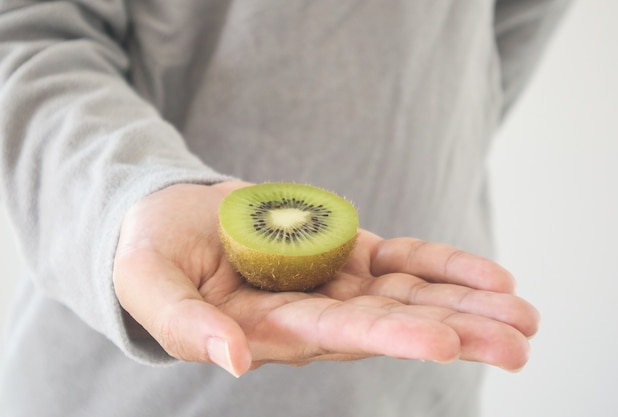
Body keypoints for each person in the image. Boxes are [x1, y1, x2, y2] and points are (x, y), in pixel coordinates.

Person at [0, 0, 569, 416]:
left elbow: (508, 33)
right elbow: (23, 33)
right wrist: (132, 195)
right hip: (127, 386)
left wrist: (436, 140)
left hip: (419, 380)